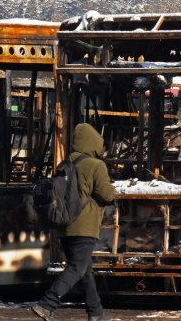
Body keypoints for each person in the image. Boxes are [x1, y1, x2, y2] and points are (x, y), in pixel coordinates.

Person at [32, 123, 117, 321]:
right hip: (84, 226)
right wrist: (113, 189)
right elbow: (107, 194)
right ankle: (47, 303)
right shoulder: (96, 165)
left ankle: (96, 312)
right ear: (95, 142)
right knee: (76, 268)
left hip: (65, 225)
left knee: (83, 269)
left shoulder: (65, 164)